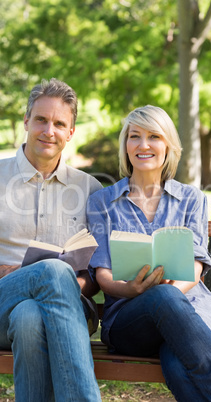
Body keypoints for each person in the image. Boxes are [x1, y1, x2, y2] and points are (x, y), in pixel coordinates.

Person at [87, 105, 211, 401]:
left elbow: (196, 265)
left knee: (176, 360)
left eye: (154, 137)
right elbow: (102, 274)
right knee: (163, 297)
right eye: (134, 136)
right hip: (130, 320)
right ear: (126, 145)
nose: (144, 145)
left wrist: (173, 290)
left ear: (168, 145)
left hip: (192, 313)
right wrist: (132, 288)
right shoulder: (103, 202)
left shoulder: (191, 199)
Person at [0, 78, 102, 402]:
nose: (49, 131)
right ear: (26, 121)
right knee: (52, 271)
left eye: (60, 123)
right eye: (41, 120)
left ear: (71, 132)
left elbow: (97, 274)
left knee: (30, 316)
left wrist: (70, 284)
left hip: (66, 312)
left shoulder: (89, 190)